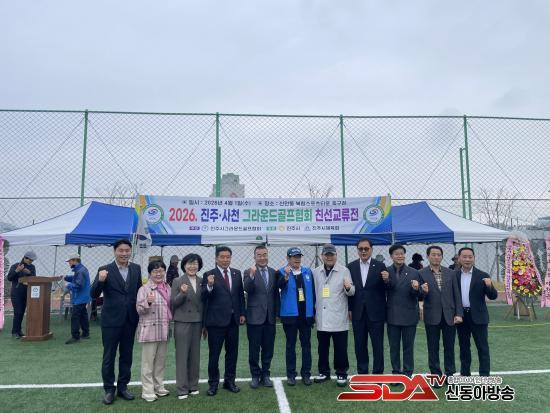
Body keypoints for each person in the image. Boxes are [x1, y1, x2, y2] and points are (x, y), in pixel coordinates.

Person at [91, 239, 142, 405]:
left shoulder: (136, 268)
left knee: (126, 355)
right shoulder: (104, 269)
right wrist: (101, 280)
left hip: (130, 319)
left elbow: (138, 292)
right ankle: (109, 389)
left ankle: (123, 387)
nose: (124, 253)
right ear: (114, 252)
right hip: (111, 320)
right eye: (121, 250)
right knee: (109, 356)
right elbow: (93, 294)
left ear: (130, 251)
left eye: (127, 250)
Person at [201, 246, 245, 396]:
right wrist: (209, 285)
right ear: (216, 258)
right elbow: (203, 296)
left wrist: (242, 313)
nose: (225, 260)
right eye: (222, 257)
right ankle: (213, 384)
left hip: (233, 321)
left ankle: (229, 382)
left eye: (228, 257)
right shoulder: (209, 274)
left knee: (232, 354)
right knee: (214, 355)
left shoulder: (237, 273)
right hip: (215, 322)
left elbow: (240, 296)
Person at [312, 244, 354, 387]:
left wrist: (348, 287)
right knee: (322, 348)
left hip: (338, 315)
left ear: (336, 255)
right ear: (322, 256)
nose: (329, 257)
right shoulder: (316, 272)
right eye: (327, 255)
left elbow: (352, 291)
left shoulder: (344, 270)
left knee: (340, 348)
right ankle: (323, 371)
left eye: (332, 255)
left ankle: (341, 373)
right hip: (322, 316)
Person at [420, 245, 463, 383]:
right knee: (433, 348)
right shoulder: (421, 273)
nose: (436, 257)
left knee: (449, 347)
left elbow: (457, 295)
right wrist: (422, 291)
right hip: (431, 316)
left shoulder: (451, 273)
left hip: (450, 316)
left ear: (442, 257)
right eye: (433, 254)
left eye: (439, 255)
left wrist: (459, 313)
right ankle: (435, 375)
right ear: (428, 256)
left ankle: (450, 374)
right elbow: (418, 295)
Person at [347, 238, 389, 374]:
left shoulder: (381, 266)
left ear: (371, 249)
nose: (363, 251)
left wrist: (387, 280)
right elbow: (349, 290)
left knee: (378, 346)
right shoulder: (351, 266)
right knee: (360, 345)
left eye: (366, 249)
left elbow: (386, 288)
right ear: (357, 250)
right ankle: (362, 374)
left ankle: (378, 374)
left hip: (376, 313)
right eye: (361, 249)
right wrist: (349, 309)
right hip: (358, 312)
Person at [455, 247, 498, 376]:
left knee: (482, 347)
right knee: (464, 347)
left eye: (470, 257)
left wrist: (489, 285)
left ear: (474, 258)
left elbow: (493, 296)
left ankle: (484, 375)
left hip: (479, 317)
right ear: (459, 258)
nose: (467, 259)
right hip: (461, 316)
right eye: (464, 257)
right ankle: (465, 374)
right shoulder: (454, 275)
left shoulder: (483, 275)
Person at [243, 245, 280, 389]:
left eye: (264, 254)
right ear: (254, 257)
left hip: (270, 318)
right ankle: (255, 375)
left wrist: (277, 313)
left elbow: (275, 294)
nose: (262, 257)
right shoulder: (248, 272)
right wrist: (252, 276)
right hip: (254, 317)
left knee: (268, 348)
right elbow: (247, 288)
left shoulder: (273, 272)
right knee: (254, 349)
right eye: (259, 255)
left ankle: (265, 375)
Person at [278, 247, 315, 386]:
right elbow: (279, 286)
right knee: (290, 346)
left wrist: (313, 312)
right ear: (288, 258)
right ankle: (291, 374)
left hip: (305, 315)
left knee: (306, 346)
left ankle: (306, 374)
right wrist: (286, 276)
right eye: (294, 257)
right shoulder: (281, 272)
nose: (297, 259)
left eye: (299, 256)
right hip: (290, 315)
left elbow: (313, 293)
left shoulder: (308, 271)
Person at [136, 261, 172, 402]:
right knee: (148, 363)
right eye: (155, 271)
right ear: (150, 273)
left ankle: (159, 386)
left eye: (161, 271)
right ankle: (147, 391)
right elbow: (139, 309)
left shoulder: (167, 287)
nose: (159, 274)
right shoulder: (144, 289)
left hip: (163, 328)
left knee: (160, 361)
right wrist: (148, 302)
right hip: (149, 328)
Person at [171, 253, 205, 400]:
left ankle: (193, 386)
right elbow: (173, 303)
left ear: (199, 265)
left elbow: (204, 303)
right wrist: (183, 293)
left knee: (195, 356)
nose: (192, 266)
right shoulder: (177, 281)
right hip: (182, 321)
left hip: (198, 322)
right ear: (184, 265)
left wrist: (204, 324)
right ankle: (182, 389)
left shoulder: (202, 281)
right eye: (189, 263)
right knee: (182, 356)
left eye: (195, 263)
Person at [385, 244, 423, 377]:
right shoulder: (386, 272)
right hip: (392, 315)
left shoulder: (414, 272)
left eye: (402, 253)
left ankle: (407, 373)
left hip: (409, 315)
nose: (400, 256)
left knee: (408, 347)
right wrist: (385, 281)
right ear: (391, 256)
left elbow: (419, 295)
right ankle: (396, 373)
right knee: (394, 347)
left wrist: (416, 288)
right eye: (396, 254)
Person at [7, 251, 37, 338]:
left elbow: (34, 278)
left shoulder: (32, 267)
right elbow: (9, 278)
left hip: (26, 292)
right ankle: (14, 332)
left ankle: (19, 330)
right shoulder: (16, 266)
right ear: (25, 258)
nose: (31, 262)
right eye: (30, 260)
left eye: (32, 260)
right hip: (16, 293)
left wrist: (29, 273)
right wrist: (17, 270)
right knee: (18, 312)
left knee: (22, 312)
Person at [63, 253, 91, 344]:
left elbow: (78, 285)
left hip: (79, 297)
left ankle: (75, 337)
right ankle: (86, 333)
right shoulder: (81, 269)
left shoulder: (80, 271)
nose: (69, 263)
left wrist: (68, 285)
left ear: (75, 260)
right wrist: (66, 277)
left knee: (75, 317)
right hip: (83, 297)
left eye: (70, 261)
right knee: (83, 315)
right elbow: (76, 278)